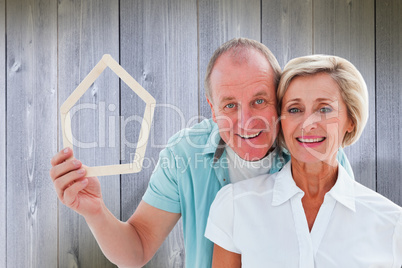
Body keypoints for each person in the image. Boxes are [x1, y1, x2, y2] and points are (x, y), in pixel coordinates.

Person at [50, 39, 353, 268]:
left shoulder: (318, 150)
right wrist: (95, 212)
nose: (247, 121)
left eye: (259, 101)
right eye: (230, 105)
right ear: (212, 109)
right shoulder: (184, 155)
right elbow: (137, 248)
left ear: (279, 97)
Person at [204, 55, 402, 267]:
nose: (307, 124)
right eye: (294, 110)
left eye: (324, 109)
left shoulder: (391, 223)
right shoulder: (235, 206)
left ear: (351, 120)